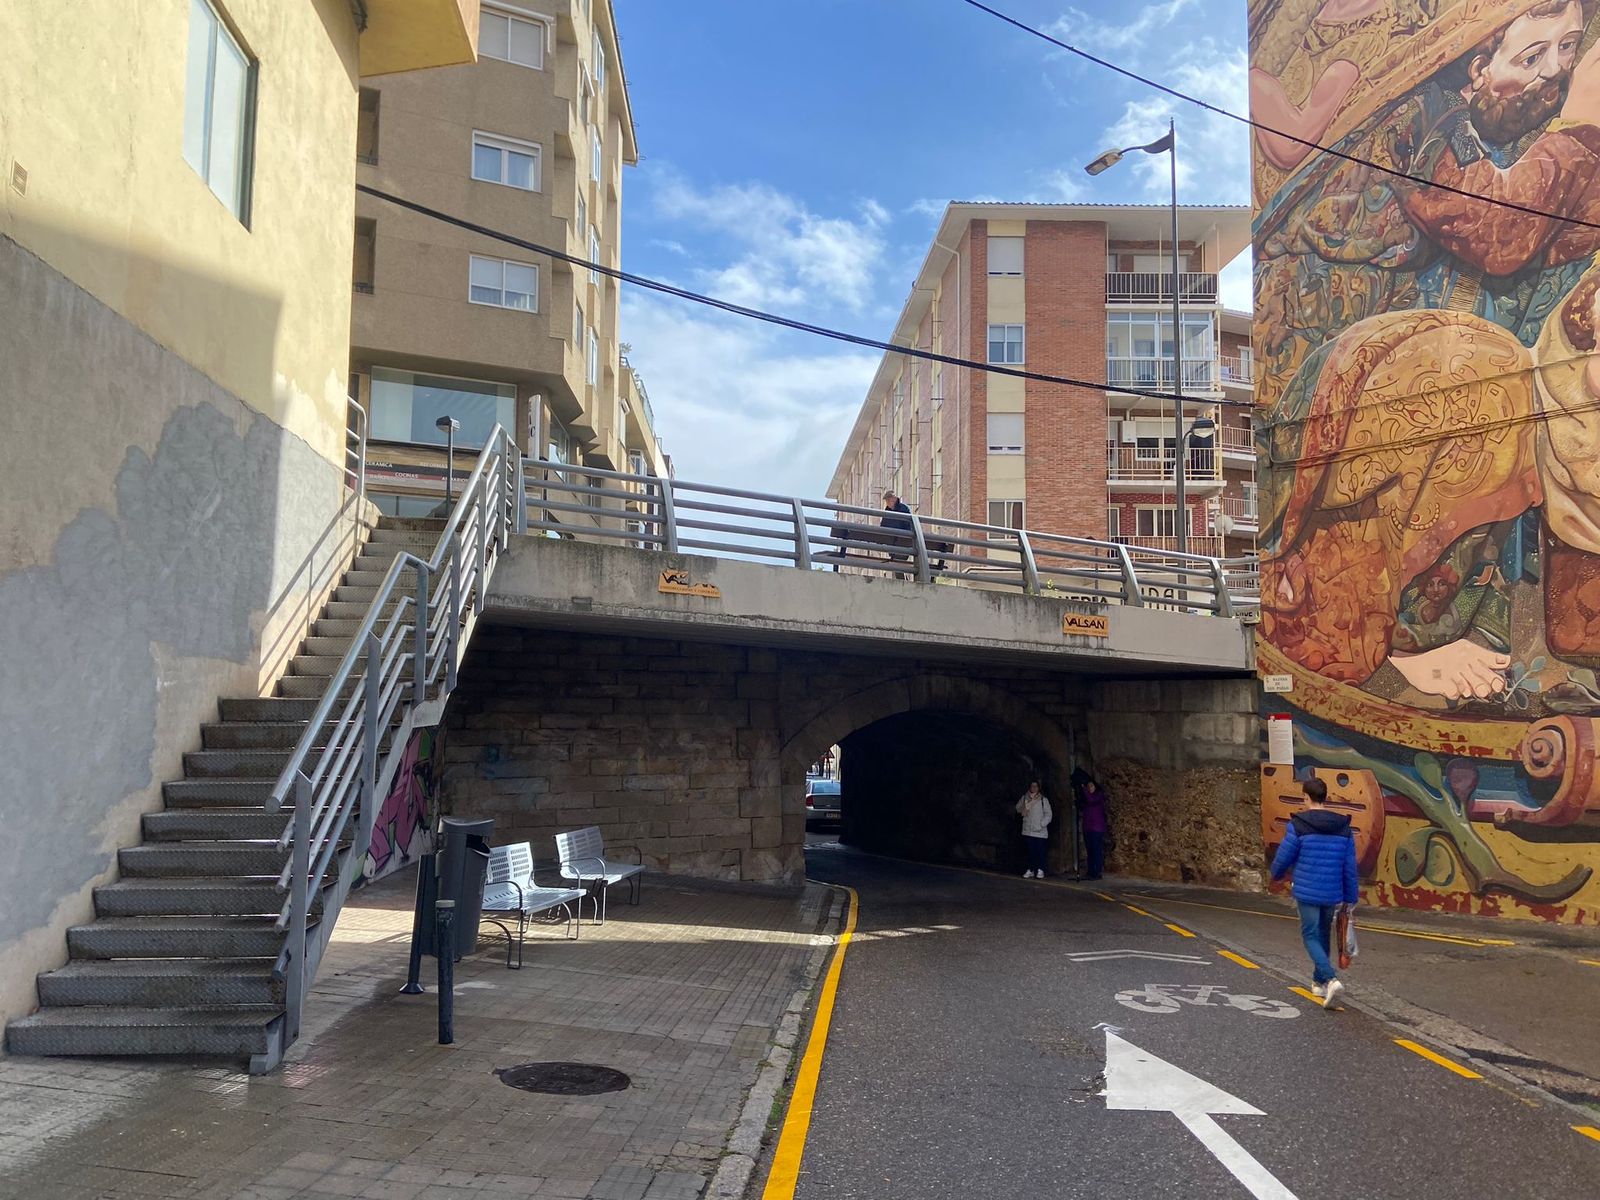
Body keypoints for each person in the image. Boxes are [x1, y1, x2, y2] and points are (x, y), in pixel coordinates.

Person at [1270, 778, 1360, 1009]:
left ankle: (1330, 979)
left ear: (1306, 797)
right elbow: (1349, 867)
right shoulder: (1343, 828)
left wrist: (1276, 875)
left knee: (1310, 935)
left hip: (1307, 891)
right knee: (1322, 934)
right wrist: (1351, 898)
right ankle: (1318, 983)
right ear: (1325, 797)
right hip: (1332, 892)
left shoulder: (1299, 824)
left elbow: (1284, 856)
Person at [1072, 769, 1109, 881]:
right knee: (1089, 850)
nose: (1089, 788)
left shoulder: (1099, 796)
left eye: (1091, 786)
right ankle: (1090, 871)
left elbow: (1091, 800)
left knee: (1096, 850)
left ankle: (1097, 872)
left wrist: (1083, 788)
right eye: (1088, 787)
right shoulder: (1087, 799)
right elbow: (1084, 805)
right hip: (1088, 827)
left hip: (1097, 828)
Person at [1015, 780, 1051, 879]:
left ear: (1038, 788)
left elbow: (1048, 814)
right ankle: (1030, 869)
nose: (1034, 788)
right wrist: (1025, 807)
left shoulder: (1043, 800)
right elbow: (1018, 808)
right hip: (1028, 830)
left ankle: (1040, 869)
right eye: (1032, 786)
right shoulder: (1024, 798)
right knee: (1030, 852)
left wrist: (1041, 824)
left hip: (1039, 831)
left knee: (1040, 851)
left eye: (1035, 786)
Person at [880, 490, 913, 562]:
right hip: (892, 542)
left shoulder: (903, 508)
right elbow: (883, 525)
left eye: (889, 500)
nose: (888, 502)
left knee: (899, 561)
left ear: (894, 499)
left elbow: (908, 526)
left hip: (902, 541)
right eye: (887, 500)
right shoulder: (887, 511)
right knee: (895, 561)